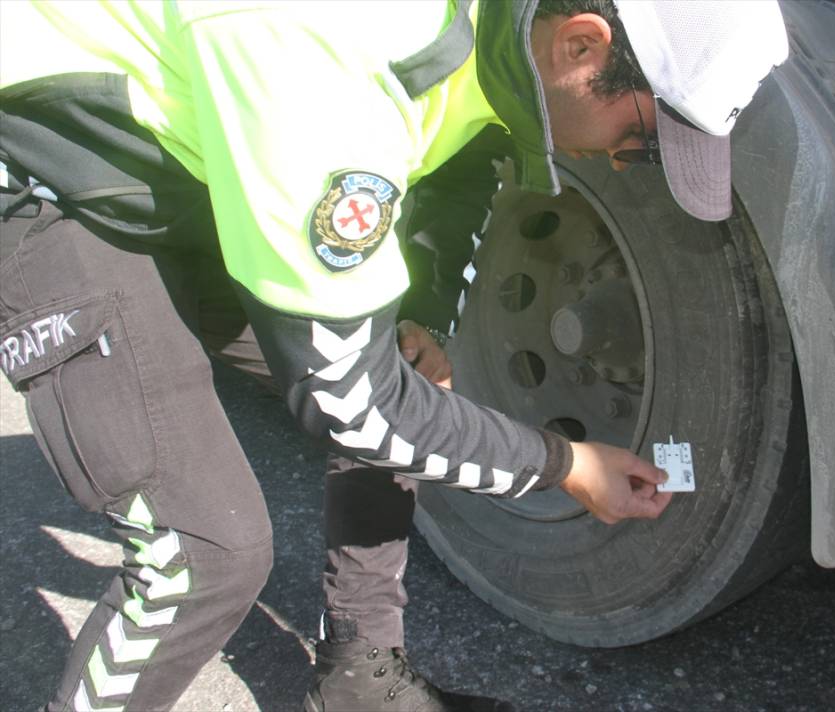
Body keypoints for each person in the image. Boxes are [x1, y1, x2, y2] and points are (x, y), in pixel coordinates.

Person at [0, 1, 787, 711]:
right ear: (582, 45)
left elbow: (458, 158)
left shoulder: (490, 33)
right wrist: (566, 464)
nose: (623, 161)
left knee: (406, 384)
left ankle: (357, 685)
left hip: (175, 163)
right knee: (206, 554)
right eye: (641, 137)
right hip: (52, 180)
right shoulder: (326, 65)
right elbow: (348, 400)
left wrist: (422, 322)